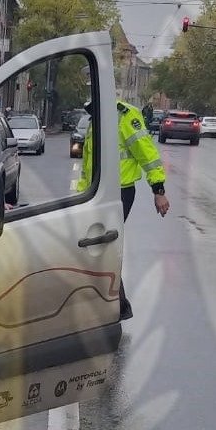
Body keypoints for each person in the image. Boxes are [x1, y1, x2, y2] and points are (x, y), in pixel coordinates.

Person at [76, 99, 170, 321]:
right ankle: (115, 305)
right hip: (96, 193)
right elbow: (87, 164)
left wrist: (158, 189)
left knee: (101, 247)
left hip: (119, 192)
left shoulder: (125, 115)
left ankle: (117, 306)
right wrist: (80, 197)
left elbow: (147, 153)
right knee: (97, 248)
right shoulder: (95, 118)